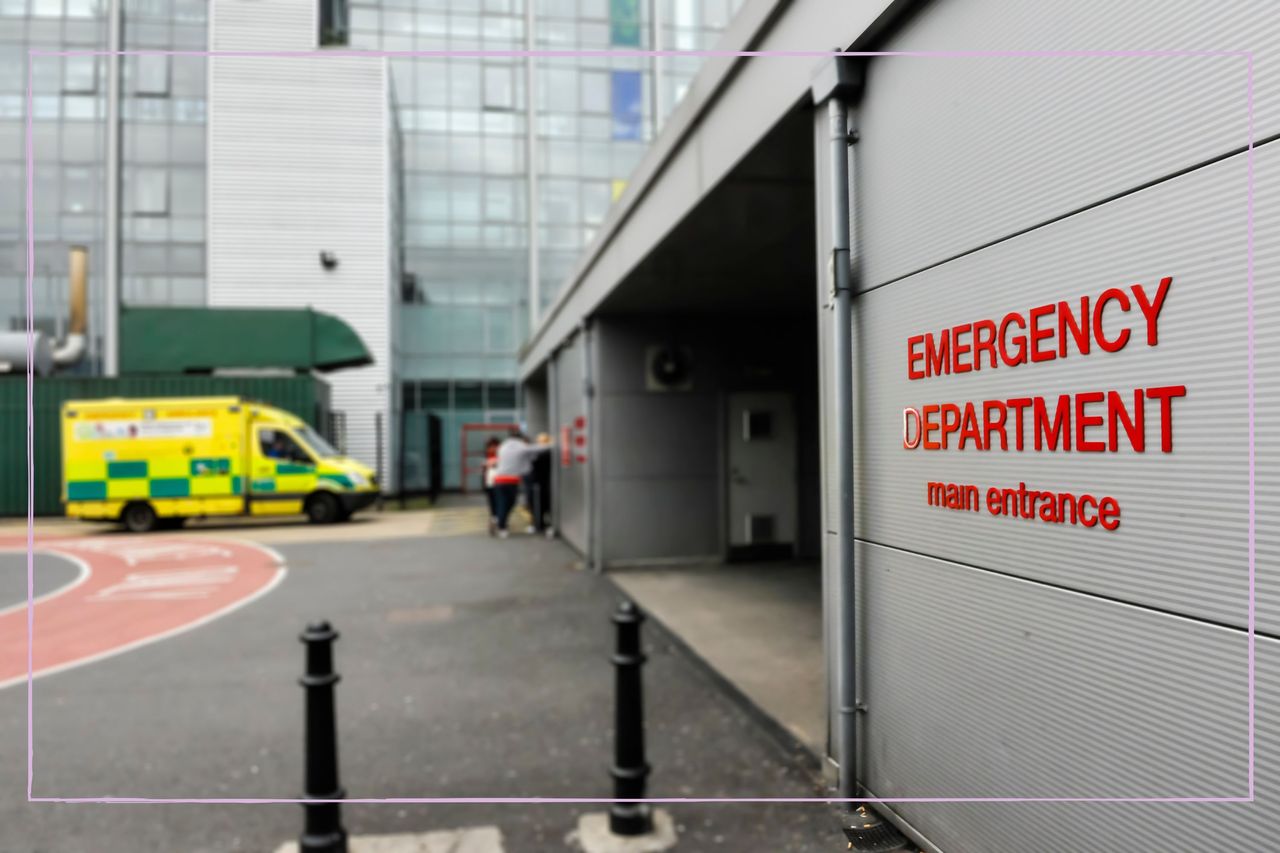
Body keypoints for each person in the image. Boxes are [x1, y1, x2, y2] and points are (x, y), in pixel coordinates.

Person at [490, 429, 552, 539]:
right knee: (508, 503)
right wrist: (553, 444)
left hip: (498, 480)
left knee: (502, 503)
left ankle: (498, 520)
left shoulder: (503, 446)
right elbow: (536, 449)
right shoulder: (519, 446)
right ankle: (501, 527)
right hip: (510, 481)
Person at [526, 432, 554, 537]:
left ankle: (539, 524)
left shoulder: (543, 454)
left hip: (539, 483)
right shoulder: (544, 453)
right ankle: (540, 523)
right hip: (542, 483)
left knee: (539, 503)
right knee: (540, 504)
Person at [481, 436, 501, 536]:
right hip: (489, 482)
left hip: (500, 482)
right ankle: (494, 519)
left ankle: (498, 519)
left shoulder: (502, 456)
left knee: (499, 501)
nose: (492, 448)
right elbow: (484, 471)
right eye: (490, 446)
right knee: (492, 502)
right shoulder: (486, 456)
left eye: (495, 446)